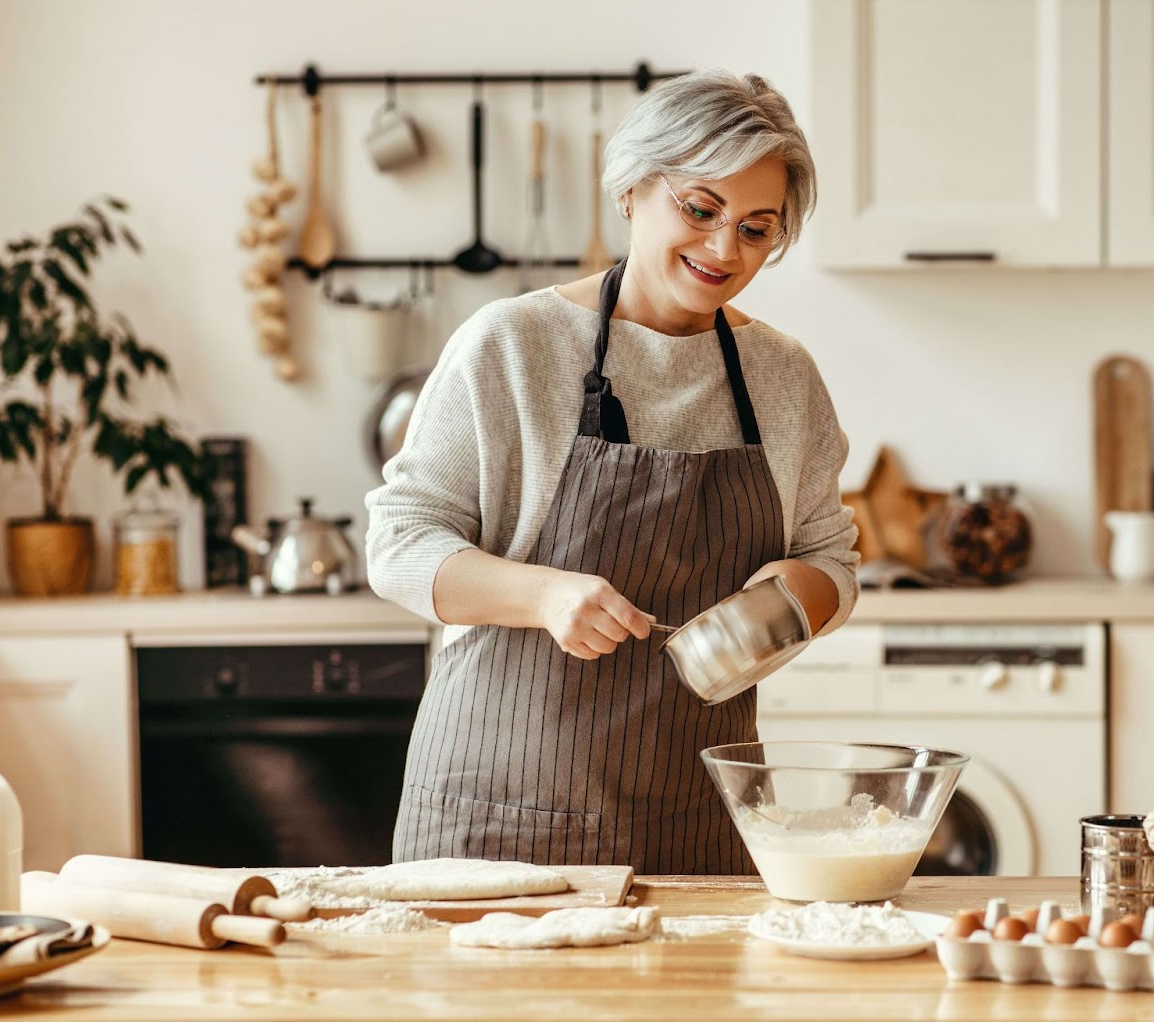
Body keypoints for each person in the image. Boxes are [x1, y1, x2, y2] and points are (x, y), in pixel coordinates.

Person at [366, 69, 858, 874]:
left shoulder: (783, 376)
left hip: (697, 820)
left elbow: (832, 559)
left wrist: (788, 601)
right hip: (498, 820)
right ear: (632, 189)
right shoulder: (513, 346)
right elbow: (398, 544)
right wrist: (546, 594)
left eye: (756, 228)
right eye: (700, 210)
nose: (723, 249)